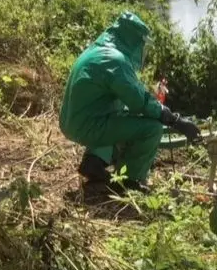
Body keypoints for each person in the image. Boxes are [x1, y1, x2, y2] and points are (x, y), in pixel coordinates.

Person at [59, 11, 201, 194]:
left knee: (124, 115)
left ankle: (93, 163)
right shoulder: (114, 60)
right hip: (88, 124)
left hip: (75, 121)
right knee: (152, 129)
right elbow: (138, 100)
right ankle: (129, 182)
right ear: (133, 40)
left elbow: (128, 101)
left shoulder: (97, 51)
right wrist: (174, 120)